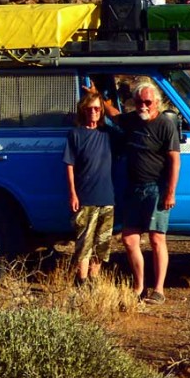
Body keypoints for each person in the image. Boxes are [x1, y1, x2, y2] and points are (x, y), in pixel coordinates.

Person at [97, 79, 180, 304]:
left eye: (148, 102)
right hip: (134, 188)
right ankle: (139, 287)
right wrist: (99, 98)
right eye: (139, 102)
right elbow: (115, 115)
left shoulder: (165, 125)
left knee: (157, 239)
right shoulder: (132, 120)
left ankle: (159, 290)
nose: (143, 106)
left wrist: (170, 192)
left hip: (157, 188)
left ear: (157, 103)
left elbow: (175, 161)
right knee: (129, 239)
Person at [63, 91, 116, 285]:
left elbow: (123, 121)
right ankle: (82, 281)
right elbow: (69, 165)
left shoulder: (108, 134)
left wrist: (101, 97)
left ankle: (94, 280)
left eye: (97, 108)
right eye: (89, 108)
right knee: (84, 243)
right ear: (83, 111)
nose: (93, 112)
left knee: (102, 245)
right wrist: (73, 194)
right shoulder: (76, 134)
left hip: (107, 198)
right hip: (85, 198)